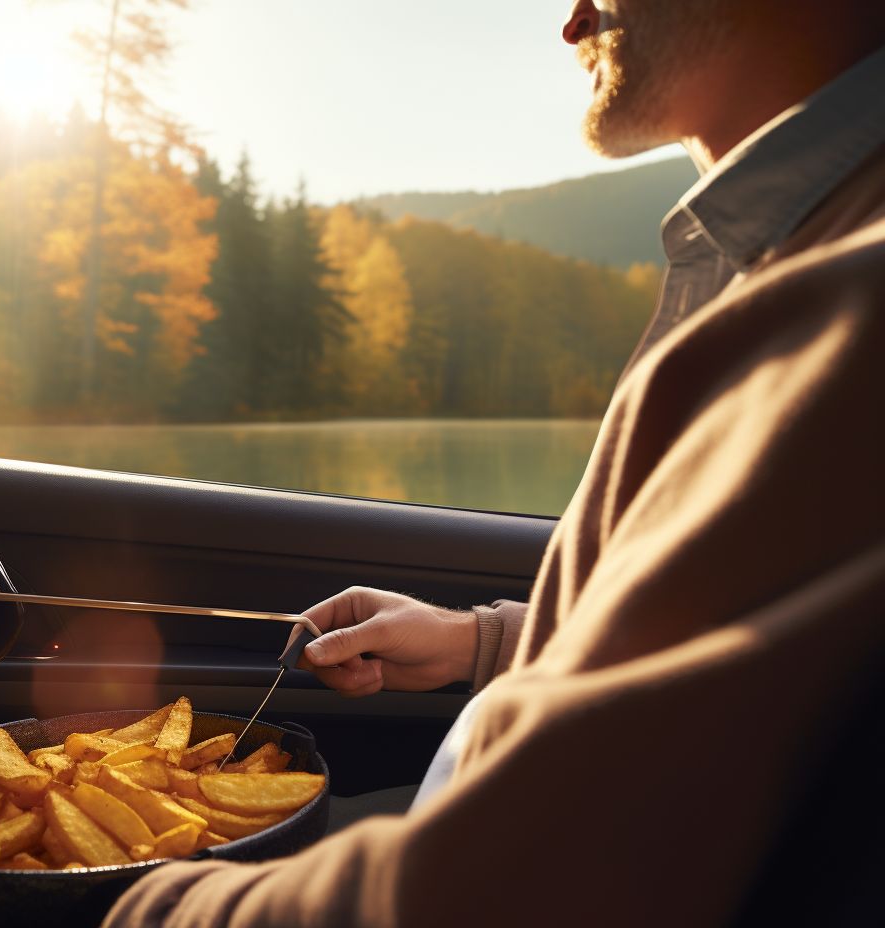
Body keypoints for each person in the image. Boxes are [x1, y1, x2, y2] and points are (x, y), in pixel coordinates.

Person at [102, 0, 885, 924]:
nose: (574, 19)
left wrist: (143, 910)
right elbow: (747, 676)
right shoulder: (792, 260)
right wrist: (485, 643)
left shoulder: (852, 308)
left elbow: (536, 887)